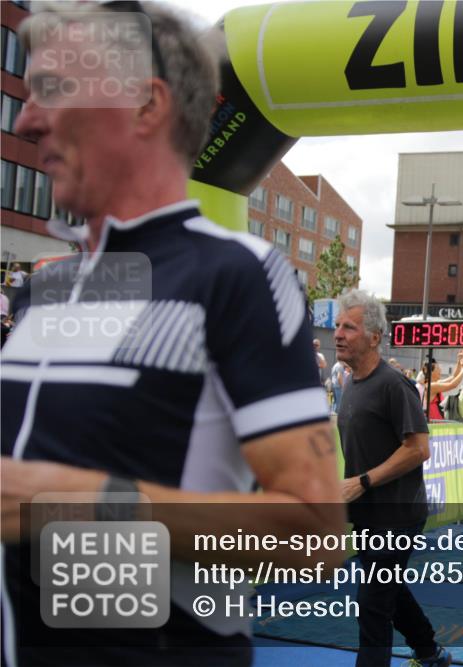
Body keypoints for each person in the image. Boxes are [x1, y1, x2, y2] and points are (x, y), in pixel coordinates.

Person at [1, 4, 343, 665]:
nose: (27, 120)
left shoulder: (236, 274)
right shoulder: (44, 285)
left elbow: (315, 534)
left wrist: (80, 505)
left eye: (52, 90)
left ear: (146, 107)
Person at [333, 290, 451, 667]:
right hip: (367, 513)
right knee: (388, 590)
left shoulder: (393, 385)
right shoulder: (350, 384)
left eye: (348, 327)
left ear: (374, 336)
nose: (337, 334)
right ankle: (429, 650)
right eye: (337, 326)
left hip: (397, 515)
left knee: (372, 605)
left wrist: (362, 482)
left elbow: (418, 449)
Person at [418, 352, 463, 421]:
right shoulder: (431, 386)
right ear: (431, 372)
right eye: (438, 368)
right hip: (433, 426)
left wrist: (459, 362)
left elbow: (453, 377)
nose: (440, 370)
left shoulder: (434, 383)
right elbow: (453, 385)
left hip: (437, 425)